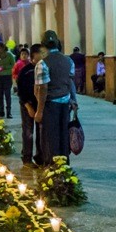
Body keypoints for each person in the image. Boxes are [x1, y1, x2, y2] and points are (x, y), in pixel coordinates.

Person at [34, 30, 78, 165]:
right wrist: (74, 100)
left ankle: (52, 167)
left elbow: (43, 88)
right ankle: (64, 165)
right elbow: (70, 82)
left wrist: (39, 111)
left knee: (50, 137)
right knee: (64, 134)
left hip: (50, 105)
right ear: (58, 44)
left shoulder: (42, 64)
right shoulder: (69, 61)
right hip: (65, 104)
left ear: (43, 45)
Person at [17, 44, 43, 168]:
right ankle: (27, 158)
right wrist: (28, 107)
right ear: (33, 56)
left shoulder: (44, 68)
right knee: (28, 132)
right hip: (27, 105)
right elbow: (21, 91)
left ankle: (40, 157)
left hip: (40, 105)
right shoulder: (26, 71)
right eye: (41, 54)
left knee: (40, 132)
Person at [0, 42, 15, 119]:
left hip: (7, 76)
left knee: (7, 95)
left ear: (3, 48)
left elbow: (13, 64)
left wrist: (3, 67)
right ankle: (1, 111)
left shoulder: (9, 55)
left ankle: (9, 112)